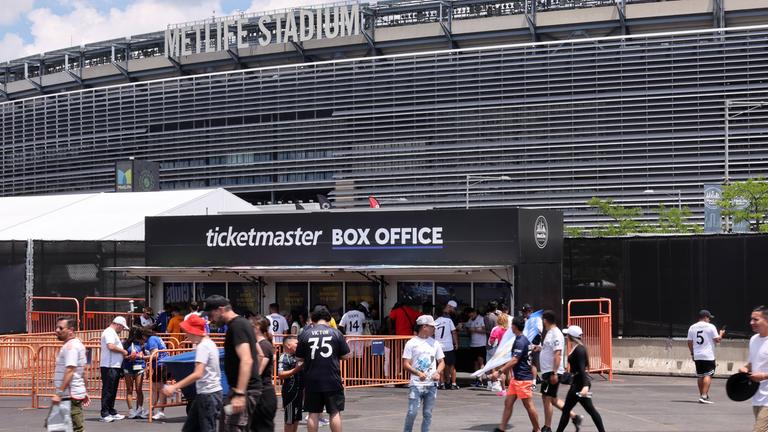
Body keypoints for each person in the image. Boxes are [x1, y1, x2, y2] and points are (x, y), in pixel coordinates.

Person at [204, 295, 264, 432]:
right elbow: (259, 354)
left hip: (244, 391)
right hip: (241, 390)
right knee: (226, 424)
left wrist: (241, 394)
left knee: (232, 427)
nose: (210, 319)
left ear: (220, 310)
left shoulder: (237, 326)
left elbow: (246, 359)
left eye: (211, 314)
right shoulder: (240, 324)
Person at [162, 314, 223, 432]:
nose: (185, 335)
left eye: (186, 332)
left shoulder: (203, 347)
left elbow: (198, 373)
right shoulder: (210, 343)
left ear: (193, 331)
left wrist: (174, 386)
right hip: (208, 393)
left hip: (207, 394)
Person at [296, 306, 351, 432]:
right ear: (329, 318)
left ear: (313, 319)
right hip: (332, 378)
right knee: (334, 412)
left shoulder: (305, 334)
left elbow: (299, 358)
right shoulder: (336, 333)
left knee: (313, 413)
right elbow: (346, 355)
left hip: (312, 378)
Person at [490, 316, 541, 432]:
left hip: (523, 379)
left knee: (528, 405)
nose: (510, 327)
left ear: (514, 327)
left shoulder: (520, 341)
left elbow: (514, 360)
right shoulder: (522, 339)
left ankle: (537, 429)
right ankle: (502, 428)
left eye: (511, 325)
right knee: (508, 402)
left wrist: (499, 372)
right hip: (516, 378)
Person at [555, 325, 606, 432]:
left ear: (571, 336)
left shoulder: (579, 350)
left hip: (579, 385)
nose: (566, 337)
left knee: (568, 411)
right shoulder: (577, 347)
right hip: (578, 383)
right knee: (589, 410)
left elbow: (582, 369)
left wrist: (585, 386)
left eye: (567, 335)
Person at [539, 311, 582, 432]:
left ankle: (547, 427)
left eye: (543, 320)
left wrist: (554, 373)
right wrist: (539, 348)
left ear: (545, 320)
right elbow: (549, 348)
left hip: (552, 371)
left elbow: (557, 354)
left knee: (547, 398)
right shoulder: (550, 332)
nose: (542, 322)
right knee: (551, 399)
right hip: (548, 370)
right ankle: (575, 417)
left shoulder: (556, 333)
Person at [402, 314, 445, 432]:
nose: (434, 329)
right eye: (432, 327)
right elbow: (406, 364)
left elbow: (441, 362)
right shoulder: (411, 343)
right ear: (424, 326)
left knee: (427, 413)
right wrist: (418, 373)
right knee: (412, 412)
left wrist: (437, 372)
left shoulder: (435, 343)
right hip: (416, 384)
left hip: (431, 384)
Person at [52, 316, 88, 432]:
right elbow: (83, 371)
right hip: (73, 393)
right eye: (56, 327)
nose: (57, 330)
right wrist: (84, 390)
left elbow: (70, 370)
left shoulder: (70, 347)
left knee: (76, 428)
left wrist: (59, 393)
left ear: (71, 330)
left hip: (69, 395)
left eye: (61, 328)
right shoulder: (77, 344)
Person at [687, 309, 725, 404]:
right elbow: (717, 340)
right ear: (705, 317)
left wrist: (692, 353)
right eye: (708, 318)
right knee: (708, 375)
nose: (709, 320)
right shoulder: (711, 326)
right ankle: (704, 396)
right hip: (708, 355)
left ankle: (702, 395)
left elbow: (689, 342)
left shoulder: (692, 327)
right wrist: (721, 334)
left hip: (697, 355)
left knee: (700, 375)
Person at [739, 305, 768, 432]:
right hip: (757, 397)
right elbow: (752, 363)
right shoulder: (754, 339)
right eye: (751, 319)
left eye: (756, 319)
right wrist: (745, 368)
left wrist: (764, 376)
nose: (751, 322)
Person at [251, 316, 278, 432]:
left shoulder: (264, 346)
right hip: (259, 393)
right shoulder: (260, 345)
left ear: (257, 328)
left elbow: (258, 371)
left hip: (264, 395)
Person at [100, 316, 129, 422]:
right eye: (122, 327)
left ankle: (111, 411)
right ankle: (104, 413)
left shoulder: (112, 333)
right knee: (108, 389)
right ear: (118, 325)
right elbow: (111, 346)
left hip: (114, 365)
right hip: (109, 365)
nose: (122, 329)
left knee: (112, 389)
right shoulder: (109, 332)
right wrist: (123, 351)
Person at [278, 336, 304, 432]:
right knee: (289, 419)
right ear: (288, 345)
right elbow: (281, 374)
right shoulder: (284, 357)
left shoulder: (299, 356)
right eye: (296, 343)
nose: (299, 345)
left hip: (299, 391)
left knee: (297, 417)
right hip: (290, 392)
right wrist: (295, 370)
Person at [144, 328, 170, 421]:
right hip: (160, 365)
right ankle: (152, 409)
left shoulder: (152, 339)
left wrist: (143, 357)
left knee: (160, 388)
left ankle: (161, 411)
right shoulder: (155, 338)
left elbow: (155, 355)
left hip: (161, 364)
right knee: (155, 388)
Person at [122, 326, 147, 419]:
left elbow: (146, 354)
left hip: (139, 367)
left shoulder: (142, 344)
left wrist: (141, 355)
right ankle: (131, 410)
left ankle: (139, 409)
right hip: (128, 368)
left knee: (139, 389)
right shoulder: (125, 343)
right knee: (129, 389)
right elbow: (122, 356)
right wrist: (129, 357)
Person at [434, 301, 458, 390]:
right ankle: (453, 384)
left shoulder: (434, 322)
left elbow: (432, 335)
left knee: (440, 365)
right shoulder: (449, 320)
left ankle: (442, 383)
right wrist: (456, 343)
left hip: (439, 347)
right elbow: (454, 332)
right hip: (449, 346)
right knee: (451, 365)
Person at [486, 312, 510, 393]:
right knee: (508, 370)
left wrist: (493, 344)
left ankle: (497, 385)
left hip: (498, 352)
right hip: (507, 352)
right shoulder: (509, 330)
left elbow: (491, 341)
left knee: (498, 369)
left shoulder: (496, 329)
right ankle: (509, 388)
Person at [464, 307, 486, 388]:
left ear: (475, 312)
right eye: (469, 314)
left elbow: (485, 330)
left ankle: (481, 380)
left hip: (481, 344)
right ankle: (477, 379)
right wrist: (466, 328)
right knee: (475, 363)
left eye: (471, 314)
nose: (470, 315)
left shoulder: (481, 319)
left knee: (481, 362)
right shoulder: (470, 320)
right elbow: (467, 328)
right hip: (473, 344)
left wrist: (474, 330)